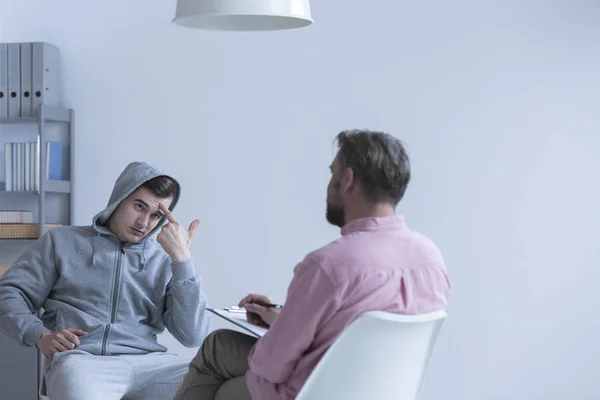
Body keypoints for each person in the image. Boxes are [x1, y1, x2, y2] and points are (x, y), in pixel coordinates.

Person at [173, 129, 451, 400]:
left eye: (333, 172)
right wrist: (286, 320)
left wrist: (282, 334)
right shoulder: (431, 259)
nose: (329, 183)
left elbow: (271, 365)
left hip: (309, 393)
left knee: (217, 349)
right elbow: (359, 337)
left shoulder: (329, 266)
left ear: (349, 180)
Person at [0, 161, 212, 400]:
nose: (143, 223)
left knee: (217, 381)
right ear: (119, 199)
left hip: (150, 364)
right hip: (82, 362)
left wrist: (182, 259)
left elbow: (192, 335)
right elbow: (9, 293)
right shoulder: (61, 242)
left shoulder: (165, 260)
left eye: (156, 215)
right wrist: (39, 335)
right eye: (139, 206)